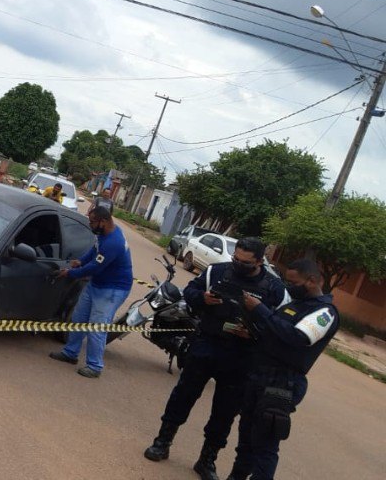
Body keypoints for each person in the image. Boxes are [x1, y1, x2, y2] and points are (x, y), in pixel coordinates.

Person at [142, 237, 286, 480]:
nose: (238, 264)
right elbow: (190, 292)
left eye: (246, 262)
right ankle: (162, 442)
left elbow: (278, 325)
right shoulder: (216, 271)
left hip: (242, 358)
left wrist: (256, 332)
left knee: (225, 412)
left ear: (259, 262)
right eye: (236, 259)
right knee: (183, 396)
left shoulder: (274, 288)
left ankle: (207, 460)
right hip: (207, 346)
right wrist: (203, 299)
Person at [227, 259, 339, 480]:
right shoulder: (294, 305)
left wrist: (260, 310)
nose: (289, 287)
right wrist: (253, 332)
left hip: (282, 383)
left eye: (293, 282)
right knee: (247, 438)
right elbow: (274, 332)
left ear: (312, 281)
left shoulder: (325, 312)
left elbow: (298, 337)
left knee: (265, 446)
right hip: (260, 375)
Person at [48, 206, 133, 378]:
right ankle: (70, 353)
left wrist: (70, 273)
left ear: (103, 221)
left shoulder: (114, 243)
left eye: (93, 222)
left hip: (112, 289)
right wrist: (80, 261)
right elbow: (94, 251)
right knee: (79, 319)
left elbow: (94, 268)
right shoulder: (104, 234)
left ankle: (94, 366)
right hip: (97, 284)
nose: (90, 225)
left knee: (96, 327)